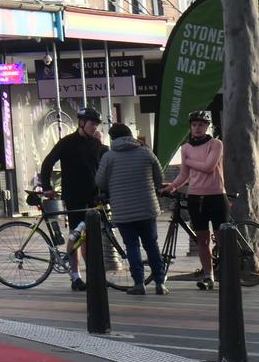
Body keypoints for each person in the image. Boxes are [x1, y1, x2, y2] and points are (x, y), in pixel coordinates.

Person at [39, 106, 109, 290]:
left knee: (90, 236)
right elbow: (47, 163)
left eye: (97, 124)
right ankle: (75, 276)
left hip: (94, 197)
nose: (95, 127)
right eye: (92, 124)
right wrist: (47, 187)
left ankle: (94, 275)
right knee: (77, 235)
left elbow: (107, 164)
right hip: (74, 197)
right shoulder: (67, 142)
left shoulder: (97, 144)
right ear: (82, 122)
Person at [96, 122, 167, 295]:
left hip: (123, 210)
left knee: (132, 247)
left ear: (112, 138)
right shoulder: (146, 152)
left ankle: (139, 284)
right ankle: (160, 283)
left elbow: (100, 182)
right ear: (130, 135)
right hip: (147, 208)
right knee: (151, 245)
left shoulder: (109, 157)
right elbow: (160, 177)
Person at [162, 109, 225, 289]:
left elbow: (208, 167)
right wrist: (170, 188)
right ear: (190, 127)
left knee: (222, 239)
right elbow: (184, 175)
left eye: (201, 125)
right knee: (202, 241)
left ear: (207, 126)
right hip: (196, 197)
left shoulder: (216, 144)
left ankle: (228, 273)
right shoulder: (186, 148)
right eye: (194, 124)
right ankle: (208, 276)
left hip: (216, 196)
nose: (197, 128)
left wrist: (189, 161)